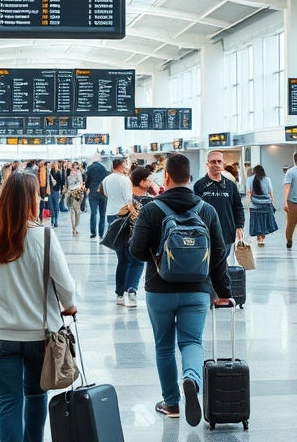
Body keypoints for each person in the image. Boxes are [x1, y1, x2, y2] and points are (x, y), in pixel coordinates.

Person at [0, 172, 77, 442]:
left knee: (9, 402)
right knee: (36, 395)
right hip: (40, 335)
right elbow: (66, 287)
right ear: (31, 200)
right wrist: (69, 306)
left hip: (0, 335)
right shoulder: (45, 237)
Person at [129, 153, 232, 427]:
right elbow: (220, 254)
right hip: (197, 291)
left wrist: (157, 254)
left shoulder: (152, 209)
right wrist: (223, 290)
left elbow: (136, 250)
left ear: (166, 177)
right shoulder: (206, 209)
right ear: (190, 178)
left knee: (164, 347)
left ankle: (171, 403)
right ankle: (192, 379)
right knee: (191, 342)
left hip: (159, 289)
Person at [102, 158, 137, 306]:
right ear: (122, 166)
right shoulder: (125, 181)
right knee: (126, 259)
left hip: (111, 215)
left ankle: (121, 293)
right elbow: (129, 199)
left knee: (121, 255)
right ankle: (123, 292)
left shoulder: (106, 180)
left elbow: (106, 195)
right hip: (124, 216)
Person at [194, 151, 245, 251]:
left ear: (223, 164)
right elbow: (194, 209)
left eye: (219, 161)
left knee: (223, 261)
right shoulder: (199, 185)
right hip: (205, 232)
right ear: (207, 164)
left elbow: (238, 207)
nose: (216, 164)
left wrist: (239, 226)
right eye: (213, 162)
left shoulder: (230, 185)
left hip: (226, 231)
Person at [246, 165, 276, 247]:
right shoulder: (267, 179)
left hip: (254, 204)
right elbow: (270, 192)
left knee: (256, 221)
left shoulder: (249, 179)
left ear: (254, 172)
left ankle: (259, 237)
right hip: (266, 203)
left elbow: (248, 192)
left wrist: (247, 204)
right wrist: (272, 202)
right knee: (264, 221)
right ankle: (262, 237)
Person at [85, 154, 110, 239]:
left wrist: (87, 187)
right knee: (102, 214)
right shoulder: (103, 168)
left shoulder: (90, 168)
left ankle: (93, 232)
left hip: (93, 193)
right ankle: (101, 234)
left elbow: (87, 180)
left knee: (93, 213)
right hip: (103, 193)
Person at [48, 161, 64, 228]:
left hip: (56, 191)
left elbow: (61, 182)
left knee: (56, 206)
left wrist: (61, 190)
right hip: (50, 191)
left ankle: (55, 221)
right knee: (51, 206)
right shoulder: (49, 172)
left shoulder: (58, 173)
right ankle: (53, 219)